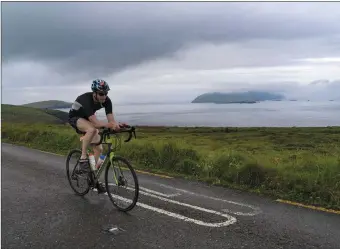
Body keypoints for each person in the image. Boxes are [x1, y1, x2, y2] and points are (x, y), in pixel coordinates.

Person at [68, 79, 124, 193]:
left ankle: (92, 177)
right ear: (94, 93)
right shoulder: (86, 99)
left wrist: (117, 126)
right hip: (75, 118)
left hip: (87, 119)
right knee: (92, 129)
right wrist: (109, 125)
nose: (104, 96)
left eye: (106, 93)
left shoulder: (107, 101)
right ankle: (83, 158)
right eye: (101, 94)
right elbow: (96, 123)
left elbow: (111, 120)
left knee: (99, 148)